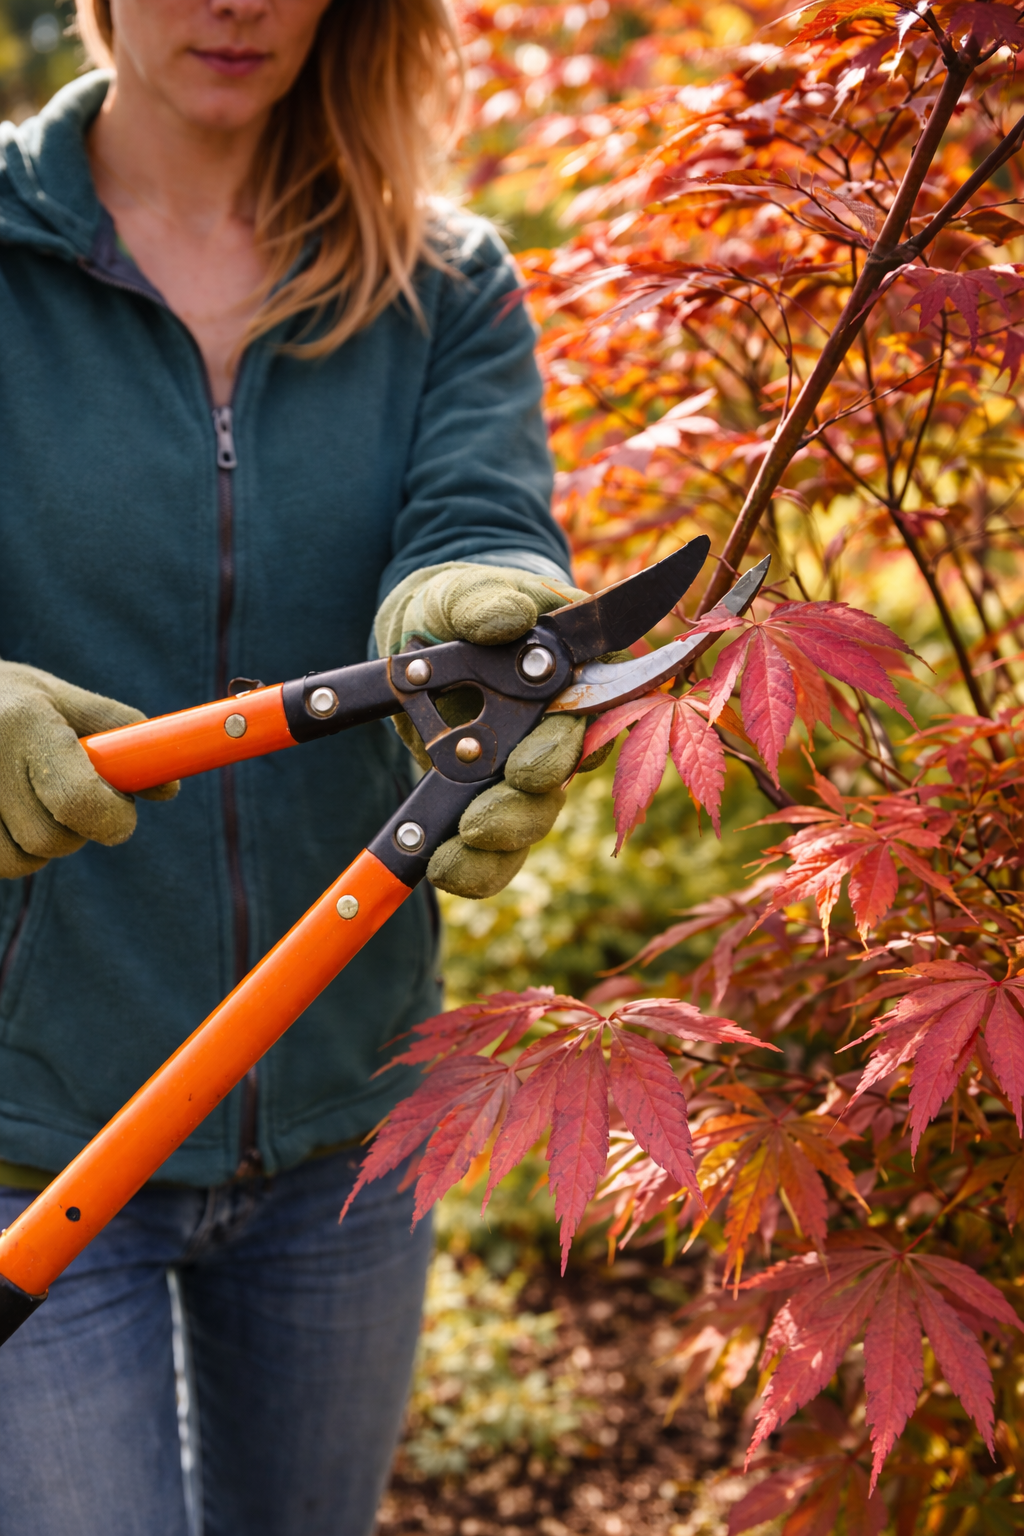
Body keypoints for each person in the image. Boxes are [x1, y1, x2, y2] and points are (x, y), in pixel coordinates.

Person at [0, 3, 597, 1532]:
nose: (239, 0)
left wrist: (471, 609)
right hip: (33, 1124)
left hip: (348, 1118)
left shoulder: (443, 282)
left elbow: (477, 522)